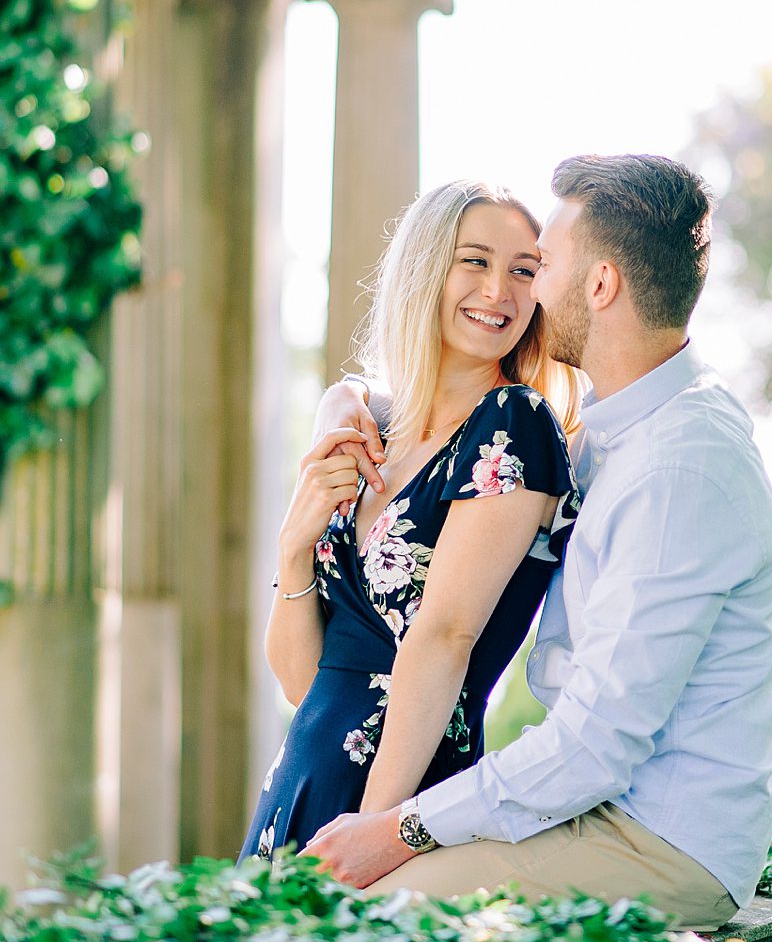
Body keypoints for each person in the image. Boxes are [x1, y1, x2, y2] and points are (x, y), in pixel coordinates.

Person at [299, 154, 772, 930]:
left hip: (655, 839)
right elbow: (418, 413)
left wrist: (396, 828)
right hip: (597, 809)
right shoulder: (621, 427)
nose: (523, 290)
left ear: (598, 285)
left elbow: (594, 745)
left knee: (358, 913)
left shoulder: (678, 468)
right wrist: (344, 399)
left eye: (541, 264)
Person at [240, 180, 579, 863]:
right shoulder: (371, 430)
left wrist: (371, 831)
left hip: (398, 804)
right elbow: (304, 681)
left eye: (524, 270)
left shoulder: (515, 425)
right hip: (299, 789)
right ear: (425, 267)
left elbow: (447, 636)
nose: (499, 291)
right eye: (476, 261)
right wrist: (293, 547)